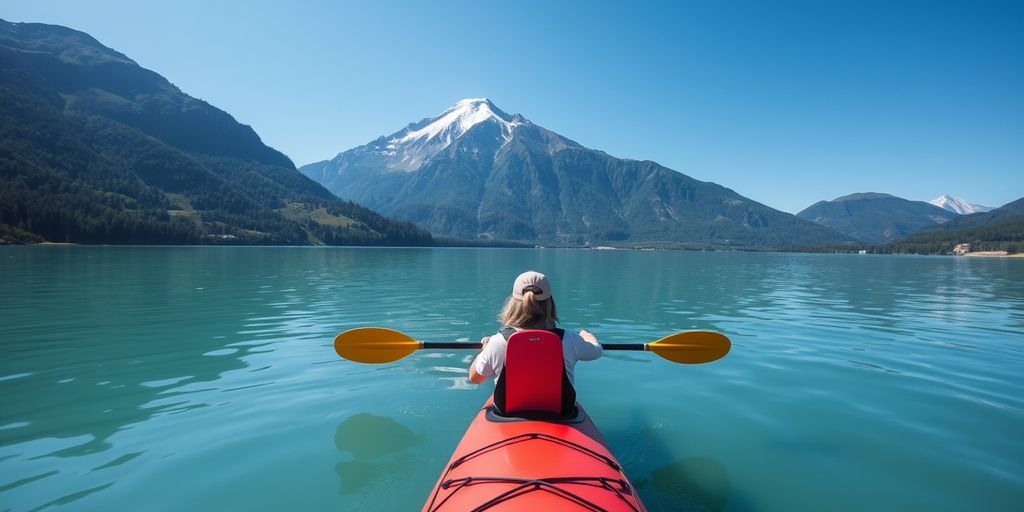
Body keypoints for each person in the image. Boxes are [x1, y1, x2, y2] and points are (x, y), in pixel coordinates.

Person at [468, 271, 603, 393]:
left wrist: (485, 350)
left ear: (513, 304)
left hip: (509, 411)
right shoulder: (569, 339)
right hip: (559, 411)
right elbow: (597, 351)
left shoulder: (499, 341)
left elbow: (475, 378)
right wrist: (585, 334)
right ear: (550, 303)